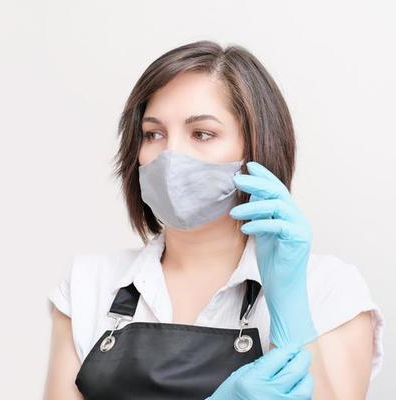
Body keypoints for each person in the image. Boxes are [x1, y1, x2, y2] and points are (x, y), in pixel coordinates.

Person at [43, 41, 384, 400]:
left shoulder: (329, 290)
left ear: (255, 149)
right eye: (153, 133)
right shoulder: (88, 285)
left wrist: (290, 311)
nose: (171, 154)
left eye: (202, 133)